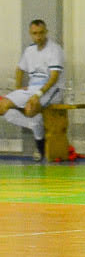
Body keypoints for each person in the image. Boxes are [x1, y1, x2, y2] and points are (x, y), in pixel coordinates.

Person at [0, 20, 64, 161]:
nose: (38, 37)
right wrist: (18, 89)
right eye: (35, 34)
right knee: (3, 106)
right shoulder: (29, 50)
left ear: (46, 32)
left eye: (41, 33)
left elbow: (54, 78)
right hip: (31, 88)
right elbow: (20, 69)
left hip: (51, 90)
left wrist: (38, 95)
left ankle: (40, 145)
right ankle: (34, 125)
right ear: (31, 34)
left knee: (30, 109)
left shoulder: (54, 49)